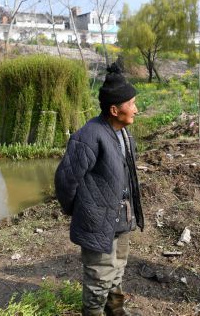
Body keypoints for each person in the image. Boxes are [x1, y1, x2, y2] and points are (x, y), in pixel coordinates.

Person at [54, 62, 144, 316]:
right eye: (132, 104)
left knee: (117, 270)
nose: (136, 109)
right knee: (99, 277)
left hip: (122, 218)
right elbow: (65, 180)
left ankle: (116, 311)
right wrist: (83, 210)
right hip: (98, 221)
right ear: (114, 109)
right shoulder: (89, 136)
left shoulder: (124, 134)